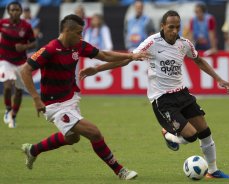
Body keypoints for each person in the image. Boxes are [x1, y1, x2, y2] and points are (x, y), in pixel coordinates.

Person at [80, 10, 229, 179]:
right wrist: (96, 69)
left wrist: (219, 79)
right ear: (162, 26)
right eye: (171, 27)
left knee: (205, 131)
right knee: (191, 136)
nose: (175, 31)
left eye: (177, 27)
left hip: (182, 93)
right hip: (162, 99)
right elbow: (127, 59)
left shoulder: (184, 44)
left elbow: (198, 60)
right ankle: (168, 134)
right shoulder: (152, 42)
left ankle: (212, 171)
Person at [20, 14, 147, 180]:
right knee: (94, 133)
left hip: (70, 98)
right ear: (67, 31)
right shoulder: (50, 49)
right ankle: (120, 171)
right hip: (55, 105)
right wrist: (36, 99)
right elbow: (25, 70)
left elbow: (104, 55)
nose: (81, 36)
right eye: (79, 32)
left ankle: (33, 150)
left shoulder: (78, 46)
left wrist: (130, 56)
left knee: (72, 138)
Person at [0, 1, 36, 128]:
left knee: (19, 91)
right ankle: (8, 109)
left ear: (21, 11)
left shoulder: (26, 26)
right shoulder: (2, 23)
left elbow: (34, 43)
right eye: (12, 10)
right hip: (5, 59)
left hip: (20, 61)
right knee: (8, 86)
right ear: (8, 11)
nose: (14, 12)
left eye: (17, 10)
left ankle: (13, 116)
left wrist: (24, 46)